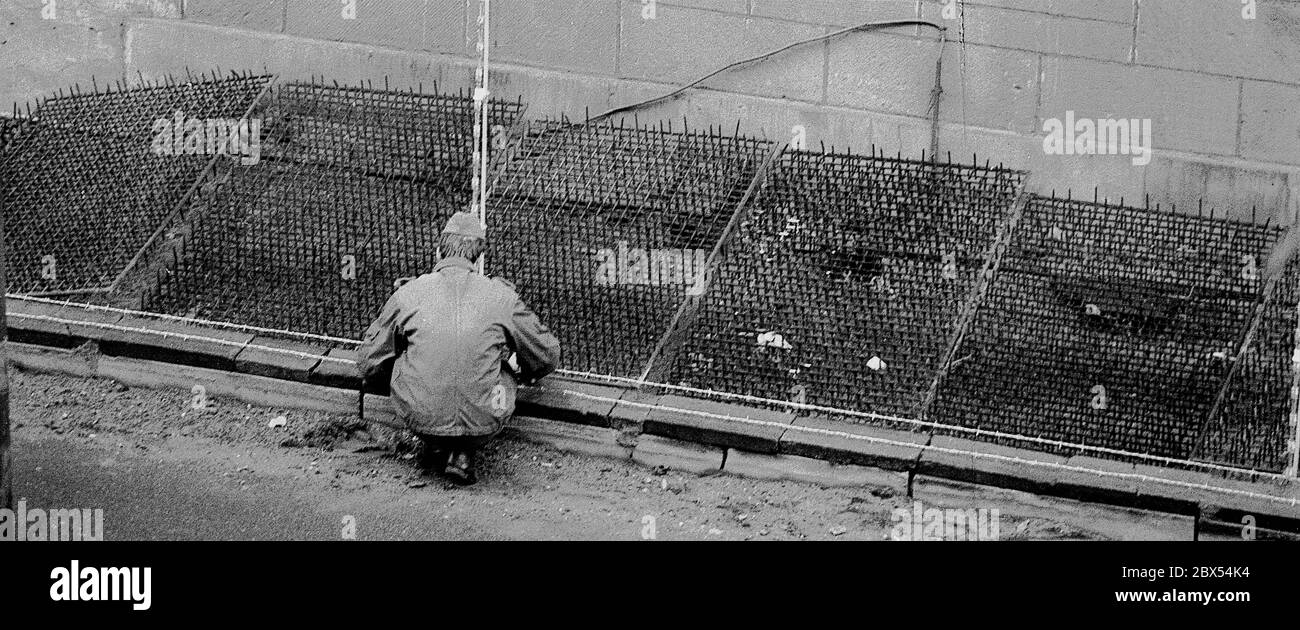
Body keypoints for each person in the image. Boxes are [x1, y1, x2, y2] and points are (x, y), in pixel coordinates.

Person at [358, 212, 560, 485]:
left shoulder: (408, 293)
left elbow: (368, 360)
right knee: (502, 371)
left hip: (419, 417)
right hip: (485, 421)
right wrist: (520, 372)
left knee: (401, 359)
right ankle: (463, 451)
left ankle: (436, 440)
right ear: (477, 258)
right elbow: (547, 355)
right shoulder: (502, 296)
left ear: (439, 251)